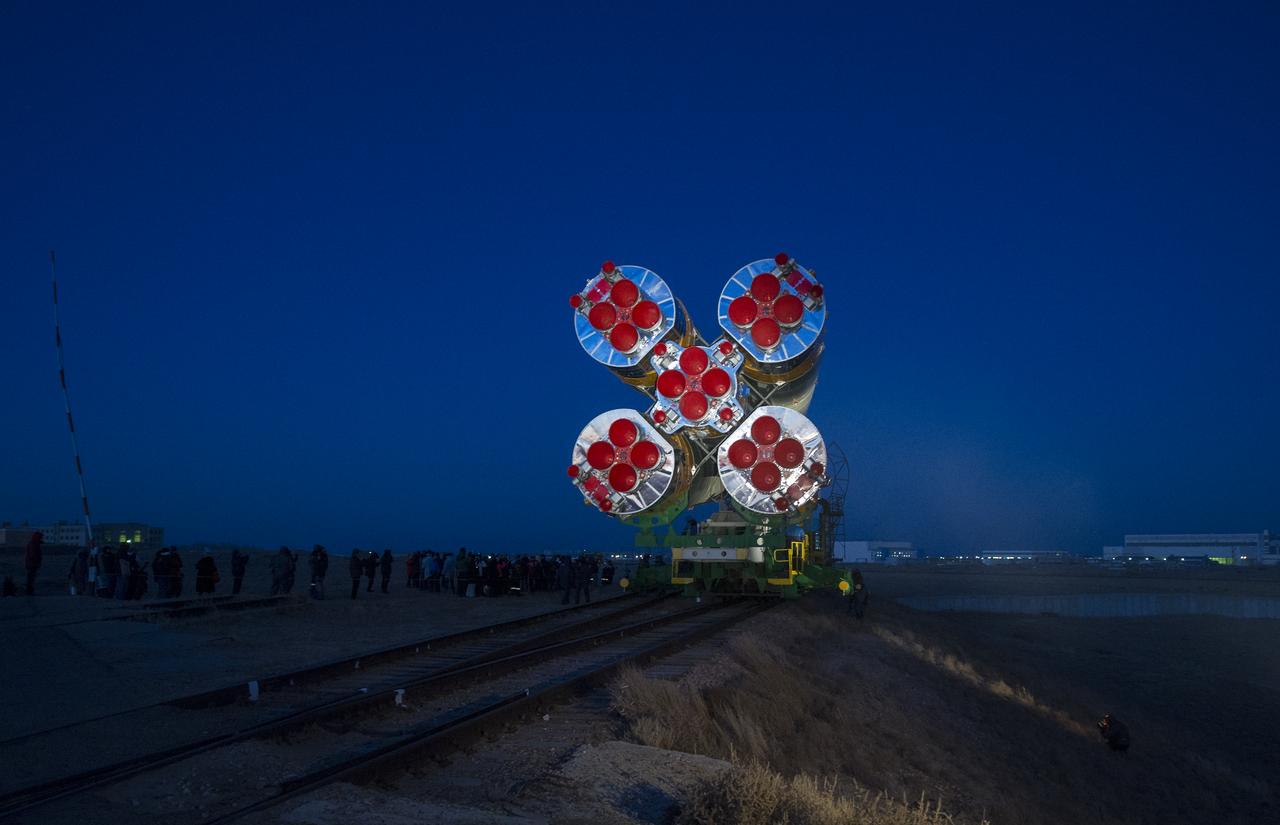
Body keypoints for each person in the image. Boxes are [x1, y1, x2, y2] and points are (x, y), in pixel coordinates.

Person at [23, 531, 44, 595]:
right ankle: (29, 590)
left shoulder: (34, 543)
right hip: (32, 564)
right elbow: (32, 555)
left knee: (31, 577)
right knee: (31, 577)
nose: (41, 538)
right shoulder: (33, 544)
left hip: (31, 564)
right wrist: (36, 561)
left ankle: (30, 589)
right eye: (40, 537)